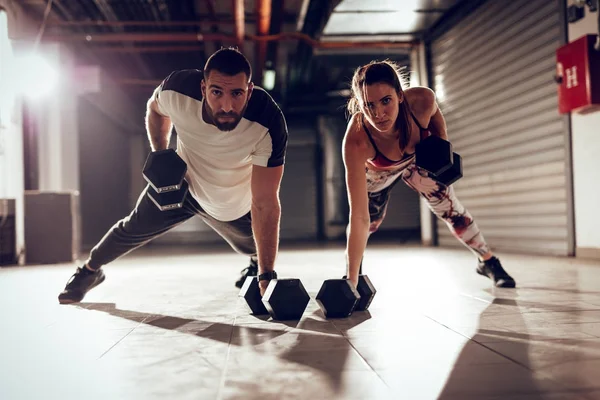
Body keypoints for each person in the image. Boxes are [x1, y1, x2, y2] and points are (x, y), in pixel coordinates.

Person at [58, 47, 288, 304]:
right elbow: (154, 110)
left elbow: (265, 202)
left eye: (237, 93)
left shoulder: (268, 122)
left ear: (250, 89)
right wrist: (161, 155)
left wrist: (267, 273)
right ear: (203, 89)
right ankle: (88, 272)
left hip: (232, 203)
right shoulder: (177, 91)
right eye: (216, 92)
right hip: (183, 185)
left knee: (255, 244)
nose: (227, 105)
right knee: (132, 228)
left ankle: (255, 266)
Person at [342, 60, 516, 290]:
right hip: (378, 174)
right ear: (359, 105)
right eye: (368, 105)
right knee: (369, 222)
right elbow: (358, 216)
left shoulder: (422, 101)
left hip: (416, 161)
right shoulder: (357, 140)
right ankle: (353, 272)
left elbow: (435, 116)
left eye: (386, 101)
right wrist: (351, 282)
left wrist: (442, 148)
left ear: (400, 96)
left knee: (452, 211)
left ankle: (488, 262)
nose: (379, 113)